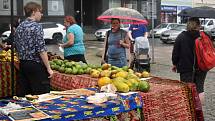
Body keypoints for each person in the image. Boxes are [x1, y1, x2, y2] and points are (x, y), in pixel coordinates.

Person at [14, 2, 53, 96]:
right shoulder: (36, 26)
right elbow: (41, 49)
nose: (42, 14)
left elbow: (16, 47)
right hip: (35, 65)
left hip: (23, 64)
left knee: (26, 95)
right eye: (40, 11)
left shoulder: (20, 27)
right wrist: (48, 68)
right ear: (34, 12)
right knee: (41, 95)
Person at [171, 17, 207, 104]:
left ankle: (188, 108)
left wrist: (175, 63)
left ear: (188, 25)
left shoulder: (181, 37)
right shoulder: (203, 36)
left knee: (186, 88)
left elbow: (175, 53)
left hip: (185, 68)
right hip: (201, 68)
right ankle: (199, 109)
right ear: (198, 25)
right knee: (200, 88)